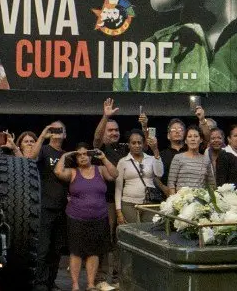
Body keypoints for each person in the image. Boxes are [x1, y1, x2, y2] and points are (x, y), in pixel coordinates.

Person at [53, 144, 118, 291]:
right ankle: (75, 285)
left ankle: (90, 284)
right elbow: (57, 172)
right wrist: (65, 155)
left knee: (94, 251)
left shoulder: (100, 170)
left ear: (90, 156)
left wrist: (104, 158)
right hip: (76, 218)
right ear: (76, 158)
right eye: (79, 155)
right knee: (76, 252)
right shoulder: (74, 172)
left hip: (99, 218)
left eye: (85, 154)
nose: (83, 156)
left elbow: (115, 174)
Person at [92, 98, 128, 290]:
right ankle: (100, 278)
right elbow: (97, 139)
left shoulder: (124, 148)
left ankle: (116, 276)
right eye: (110, 130)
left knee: (120, 241)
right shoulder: (101, 149)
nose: (114, 133)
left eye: (116, 130)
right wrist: (105, 117)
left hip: (124, 201)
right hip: (106, 202)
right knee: (105, 240)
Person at [31, 121, 68, 291]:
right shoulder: (44, 150)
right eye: (54, 129)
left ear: (65, 135)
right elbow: (31, 158)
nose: (57, 132)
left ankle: (51, 281)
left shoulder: (67, 155)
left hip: (62, 207)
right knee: (43, 248)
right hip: (45, 206)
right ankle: (39, 283)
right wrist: (44, 133)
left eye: (61, 130)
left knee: (57, 249)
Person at [115, 129, 163, 224]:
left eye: (139, 143)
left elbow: (160, 173)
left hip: (149, 203)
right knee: (133, 232)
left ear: (144, 144)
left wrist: (155, 150)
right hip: (129, 204)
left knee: (150, 232)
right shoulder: (123, 161)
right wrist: (118, 212)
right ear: (128, 145)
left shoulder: (151, 159)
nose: (137, 145)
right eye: (133, 143)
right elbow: (118, 187)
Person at [167, 125, 215, 193]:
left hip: (201, 200)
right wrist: (174, 200)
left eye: (196, 136)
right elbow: (171, 183)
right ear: (186, 141)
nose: (193, 139)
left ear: (201, 140)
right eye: (189, 137)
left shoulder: (206, 160)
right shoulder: (178, 158)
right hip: (181, 200)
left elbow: (212, 184)